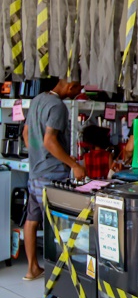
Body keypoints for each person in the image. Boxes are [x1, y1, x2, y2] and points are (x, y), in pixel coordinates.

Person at [21, 79, 85, 281]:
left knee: (32, 220)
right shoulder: (58, 106)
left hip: (35, 171)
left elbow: (26, 133)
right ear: (70, 86)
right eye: (78, 88)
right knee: (57, 224)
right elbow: (50, 140)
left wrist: (37, 154)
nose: (78, 92)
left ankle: (32, 268)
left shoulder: (37, 99)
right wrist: (73, 165)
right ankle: (61, 275)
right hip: (52, 174)